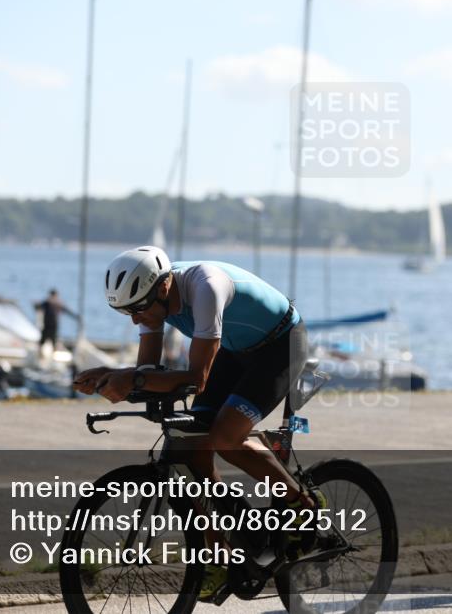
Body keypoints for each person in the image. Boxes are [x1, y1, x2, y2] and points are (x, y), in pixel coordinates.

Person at [72, 246, 322, 601]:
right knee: (193, 451)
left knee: (224, 438)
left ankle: (303, 506)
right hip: (235, 351)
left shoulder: (205, 287)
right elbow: (147, 373)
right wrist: (111, 378)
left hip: (280, 345)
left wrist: (131, 379)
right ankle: (219, 557)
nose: (135, 320)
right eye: (126, 312)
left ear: (162, 288)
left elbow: (196, 377)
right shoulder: (152, 299)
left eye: (138, 310)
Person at [33, 289, 77, 353]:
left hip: (52, 326)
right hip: (48, 326)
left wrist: (75, 317)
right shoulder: (49, 303)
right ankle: (43, 353)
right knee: (44, 341)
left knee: (51, 341)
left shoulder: (54, 303)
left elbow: (66, 310)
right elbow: (38, 307)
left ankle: (51, 353)